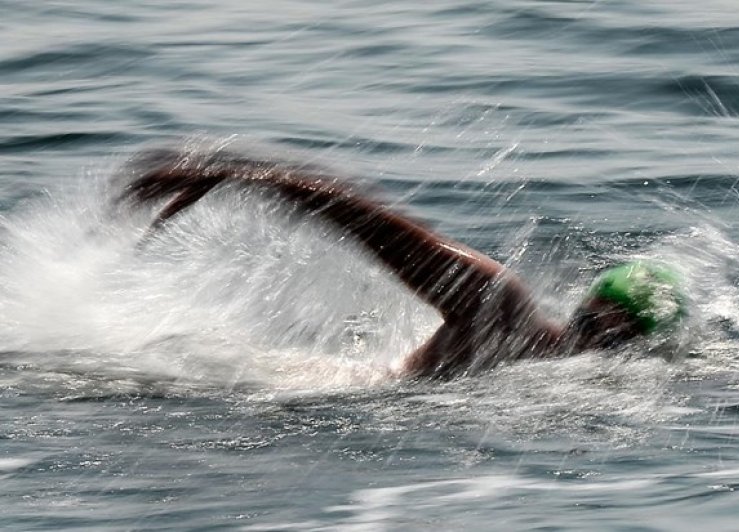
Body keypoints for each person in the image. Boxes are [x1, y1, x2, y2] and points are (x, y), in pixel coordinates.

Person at [119, 149, 686, 379]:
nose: (598, 345)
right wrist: (230, 172)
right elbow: (364, 219)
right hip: (301, 395)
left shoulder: (619, 392)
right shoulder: (499, 310)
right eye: (597, 325)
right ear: (583, 308)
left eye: (620, 341)